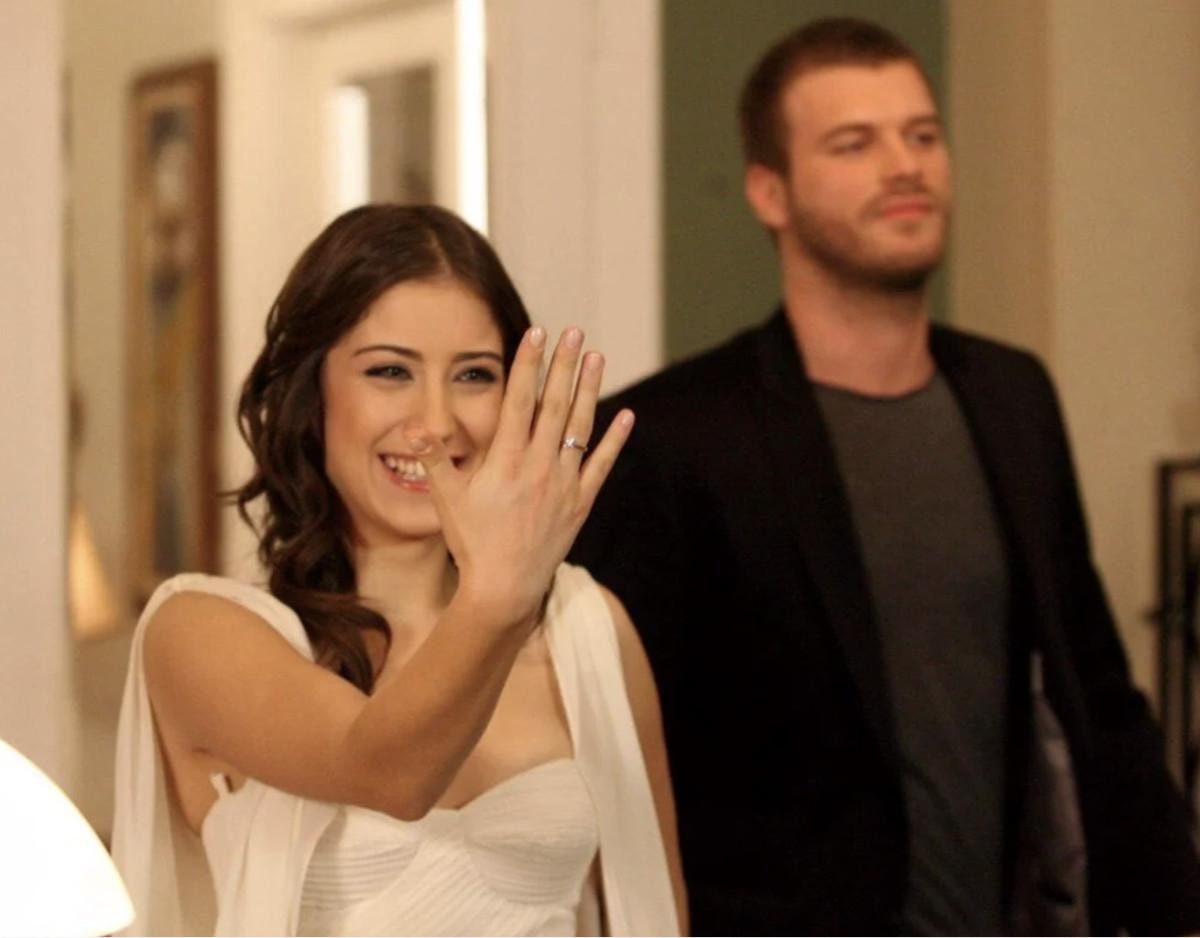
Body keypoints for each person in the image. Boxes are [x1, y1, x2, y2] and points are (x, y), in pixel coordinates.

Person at [570, 16, 1200, 936]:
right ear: (770, 192)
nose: (905, 166)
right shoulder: (671, 439)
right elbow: (607, 751)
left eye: (923, 135)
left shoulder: (1012, 396)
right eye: (854, 143)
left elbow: (1096, 693)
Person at [111, 204, 686, 936]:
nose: (436, 423)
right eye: (390, 371)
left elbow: (654, 910)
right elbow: (386, 773)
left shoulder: (588, 630)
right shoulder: (198, 631)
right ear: (311, 394)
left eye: (474, 375)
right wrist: (498, 592)